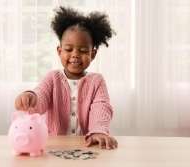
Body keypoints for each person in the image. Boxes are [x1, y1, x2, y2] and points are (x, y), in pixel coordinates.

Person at [15, 6, 118, 150]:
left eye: (83, 50)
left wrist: (99, 130)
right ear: (59, 51)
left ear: (93, 54)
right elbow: (41, 96)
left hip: (87, 145)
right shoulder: (52, 78)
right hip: (54, 146)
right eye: (69, 49)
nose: (75, 54)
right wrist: (31, 97)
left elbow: (101, 107)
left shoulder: (97, 81)